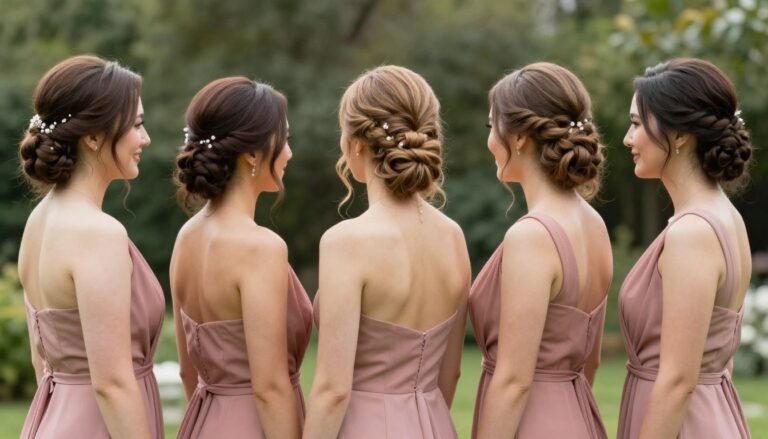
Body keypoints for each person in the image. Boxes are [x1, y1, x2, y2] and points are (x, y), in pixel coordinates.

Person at [303, 65, 470, 439]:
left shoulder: (346, 241)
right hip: (434, 425)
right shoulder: (453, 236)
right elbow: (451, 371)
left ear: (356, 144)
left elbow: (333, 391)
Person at [18, 55, 163, 438]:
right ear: (94, 137)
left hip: (55, 419)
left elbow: (43, 363)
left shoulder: (39, 222)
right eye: (136, 125)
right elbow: (112, 384)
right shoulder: (98, 233)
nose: (145, 139)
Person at [471, 62, 611, 439]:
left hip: (532, 423)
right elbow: (591, 361)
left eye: (491, 127)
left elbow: (515, 381)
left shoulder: (532, 236)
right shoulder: (595, 225)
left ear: (518, 138)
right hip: (579, 415)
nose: (489, 141)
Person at [618, 57, 752, 439]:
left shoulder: (692, 233)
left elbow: (677, 380)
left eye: (637, 124)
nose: (629, 139)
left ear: (679, 135)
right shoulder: (725, 217)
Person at [171, 77, 311, 439]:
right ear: (252, 153)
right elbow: (269, 388)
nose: (289, 153)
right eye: (285, 140)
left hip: (202, 422)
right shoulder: (260, 247)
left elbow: (189, 372)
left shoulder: (186, 238)